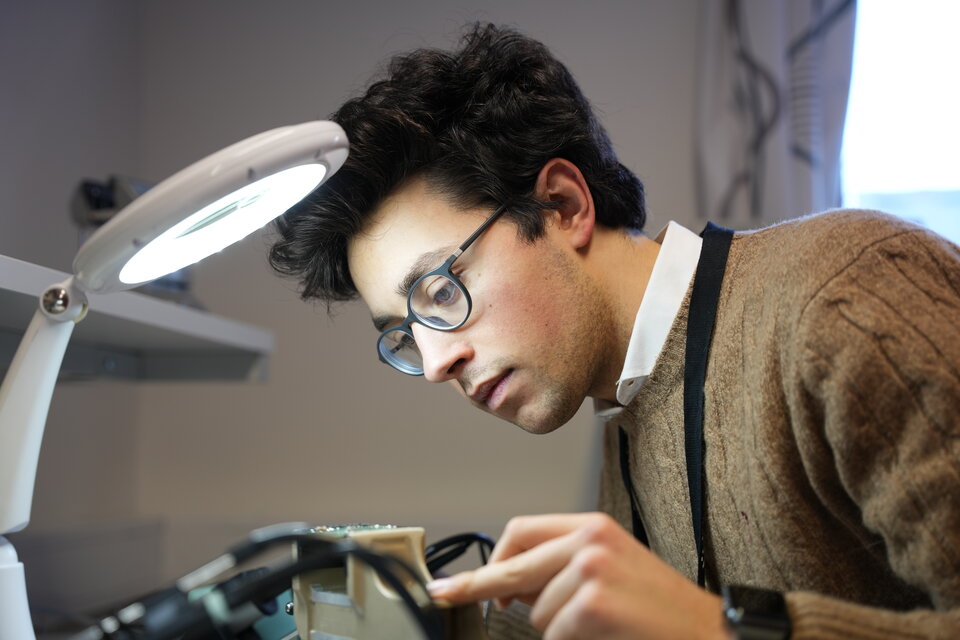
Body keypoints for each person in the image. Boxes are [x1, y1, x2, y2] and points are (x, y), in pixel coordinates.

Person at [269, 23, 960, 640]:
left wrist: (714, 630)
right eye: (404, 334)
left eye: (441, 291)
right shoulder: (628, 425)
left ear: (563, 205)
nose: (438, 362)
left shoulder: (843, 292)